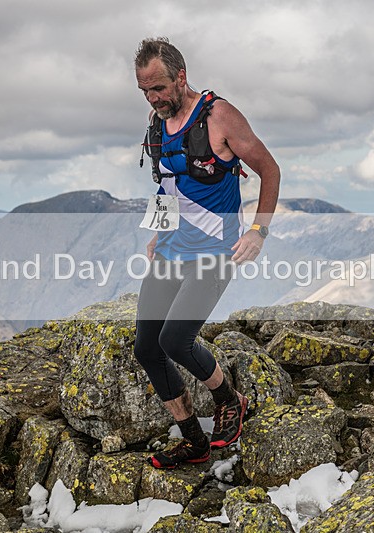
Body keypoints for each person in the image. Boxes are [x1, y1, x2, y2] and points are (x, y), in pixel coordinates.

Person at [133, 38, 280, 469]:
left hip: (216, 250)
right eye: (144, 91)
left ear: (181, 77)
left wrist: (258, 230)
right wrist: (158, 232)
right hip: (172, 249)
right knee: (146, 348)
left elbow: (269, 169)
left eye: (159, 88)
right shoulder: (156, 123)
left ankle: (229, 399)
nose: (154, 98)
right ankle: (194, 440)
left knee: (174, 339)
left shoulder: (219, 117)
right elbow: (166, 183)